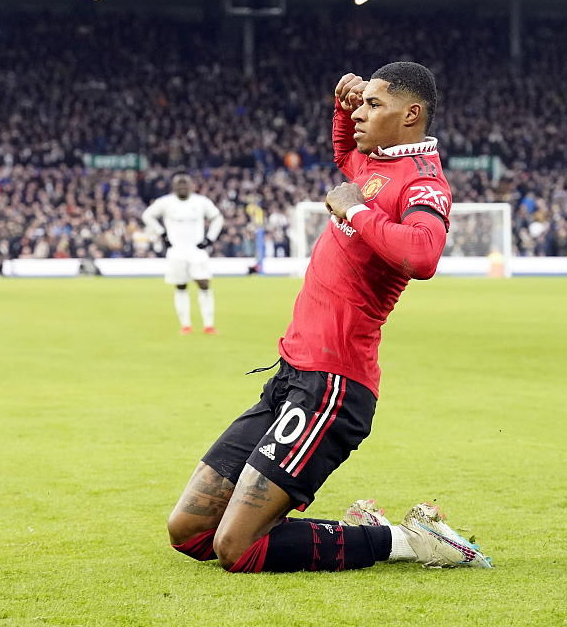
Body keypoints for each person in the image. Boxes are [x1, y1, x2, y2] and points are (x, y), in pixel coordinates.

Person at [166, 62, 492, 573]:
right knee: (188, 531)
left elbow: (424, 255)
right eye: (362, 104)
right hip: (291, 374)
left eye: (373, 105)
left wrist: (356, 212)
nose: (362, 113)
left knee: (236, 549)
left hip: (333, 385)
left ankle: (407, 541)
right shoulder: (376, 165)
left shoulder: (423, 182)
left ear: (411, 115)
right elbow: (347, 155)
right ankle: (366, 532)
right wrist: (343, 113)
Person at [142, 173, 224, 335]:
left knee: (204, 284)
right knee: (180, 286)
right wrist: (162, 233)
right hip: (176, 252)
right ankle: (185, 325)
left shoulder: (201, 202)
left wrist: (210, 239)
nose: (182, 187)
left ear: (191, 185)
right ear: (173, 187)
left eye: (185, 184)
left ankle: (208, 324)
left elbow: (217, 218)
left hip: (197, 251)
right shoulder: (165, 202)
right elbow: (147, 215)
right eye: (179, 185)